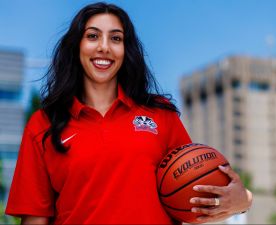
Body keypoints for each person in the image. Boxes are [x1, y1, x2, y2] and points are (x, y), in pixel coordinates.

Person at [5, 2, 252, 224]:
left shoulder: (159, 115)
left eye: (116, 38)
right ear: (76, 46)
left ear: (126, 49)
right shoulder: (44, 124)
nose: (104, 47)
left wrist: (243, 200)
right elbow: (35, 219)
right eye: (92, 36)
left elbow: (193, 191)